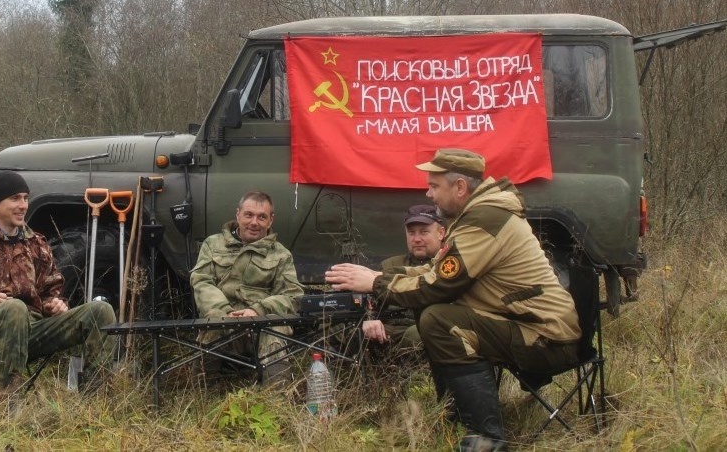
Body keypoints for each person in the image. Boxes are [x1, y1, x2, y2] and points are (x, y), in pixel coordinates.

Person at [326, 149, 581, 451]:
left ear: (459, 187)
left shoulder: (484, 220)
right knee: (433, 314)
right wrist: (378, 274)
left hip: (546, 338)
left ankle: (487, 438)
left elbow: (440, 284)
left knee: (438, 319)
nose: (428, 193)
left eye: (434, 186)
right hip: (528, 326)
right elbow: (438, 270)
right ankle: (455, 416)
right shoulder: (477, 215)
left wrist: (377, 283)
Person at [0, 171, 116, 400]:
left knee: (100, 311)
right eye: (15, 198)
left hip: (34, 330)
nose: (23, 205)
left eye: (26, 198)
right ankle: (12, 400)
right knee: (14, 308)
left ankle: (95, 398)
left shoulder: (36, 243)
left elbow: (52, 287)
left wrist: (53, 304)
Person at [191, 191, 304, 385]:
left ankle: (277, 401)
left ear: (270, 221)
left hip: (260, 326)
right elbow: (201, 282)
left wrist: (257, 311)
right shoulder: (213, 244)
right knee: (211, 326)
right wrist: (224, 314)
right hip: (222, 320)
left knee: (275, 328)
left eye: (262, 217)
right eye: (249, 215)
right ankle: (202, 399)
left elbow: (293, 296)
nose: (254, 222)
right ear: (238, 215)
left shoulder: (281, 255)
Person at [361, 204, 445, 348]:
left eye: (424, 232)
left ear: (441, 233)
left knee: (418, 334)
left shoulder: (449, 264)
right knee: (345, 329)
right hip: (389, 331)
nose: (416, 239)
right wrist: (369, 319)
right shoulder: (391, 265)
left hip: (424, 329)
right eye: (411, 233)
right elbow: (371, 300)